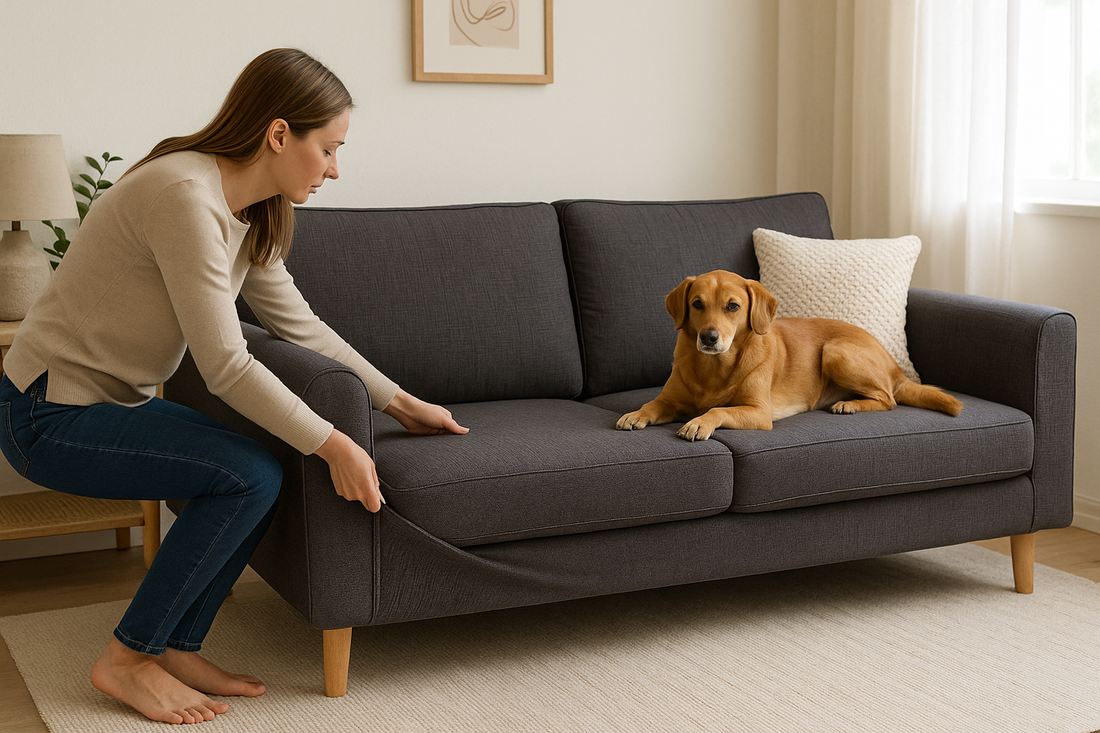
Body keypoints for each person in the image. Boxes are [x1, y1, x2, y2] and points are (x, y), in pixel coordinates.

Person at [0, 48, 468, 725]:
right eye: (329, 148)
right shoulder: (182, 196)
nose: (337, 167)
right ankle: (127, 658)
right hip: (44, 412)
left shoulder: (256, 212)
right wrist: (336, 442)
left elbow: (303, 327)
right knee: (247, 472)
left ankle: (177, 644)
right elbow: (225, 363)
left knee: (263, 466)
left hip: (111, 404)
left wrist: (400, 401)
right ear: (279, 135)